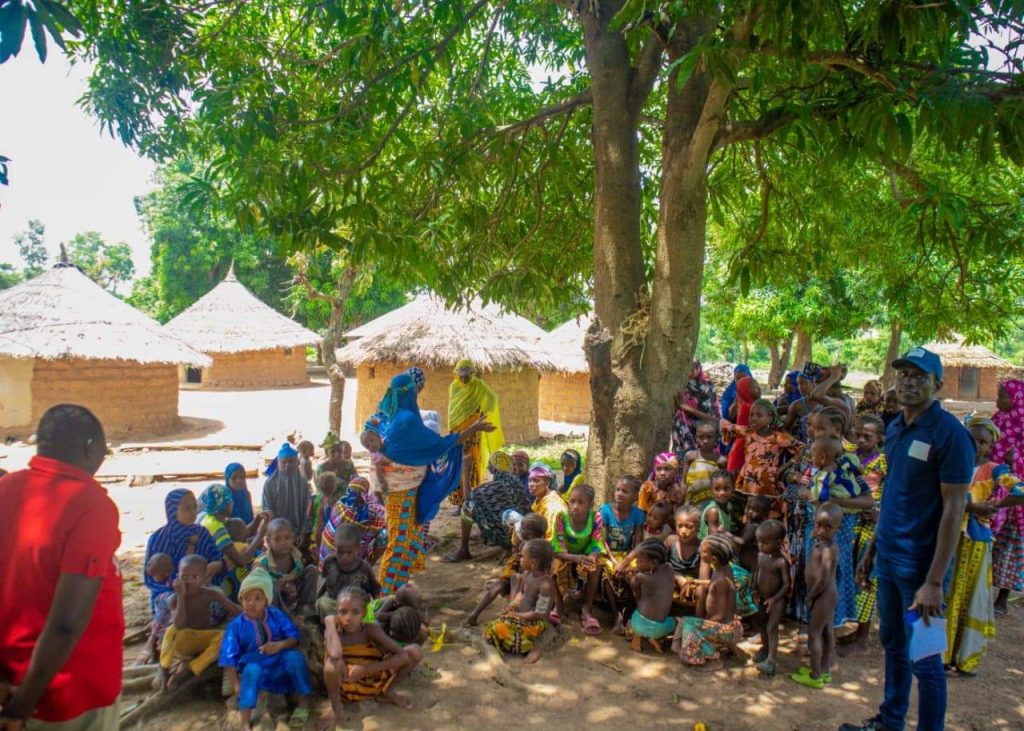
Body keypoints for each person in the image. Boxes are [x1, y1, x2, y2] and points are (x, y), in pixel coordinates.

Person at [840, 347, 974, 731]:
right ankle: (890, 720)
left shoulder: (951, 435)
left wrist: (934, 582)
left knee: (927, 661)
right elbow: (894, 495)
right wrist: (871, 552)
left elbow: (953, 510)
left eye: (920, 376)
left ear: (938, 384)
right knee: (894, 647)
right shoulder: (896, 428)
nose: (909, 382)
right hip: (890, 560)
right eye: (904, 374)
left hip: (923, 570)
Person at [0, 405, 122, 729]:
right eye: (102, 449)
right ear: (88, 448)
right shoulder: (90, 506)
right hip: (68, 696)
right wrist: (21, 705)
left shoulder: (6, 490)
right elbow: (68, 621)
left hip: (12, 679)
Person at [362, 373, 493, 595]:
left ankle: (398, 590)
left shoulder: (385, 415)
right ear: (410, 392)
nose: (417, 393)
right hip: (400, 492)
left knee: (410, 541)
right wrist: (473, 429)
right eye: (415, 389)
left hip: (398, 490)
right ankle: (385, 595)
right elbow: (437, 444)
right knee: (400, 543)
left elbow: (372, 440)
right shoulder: (407, 420)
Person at [943, 416, 1024, 676]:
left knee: (967, 594)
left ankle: (962, 657)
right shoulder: (951, 463)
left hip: (973, 538)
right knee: (944, 594)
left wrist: (993, 507)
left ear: (990, 446)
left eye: (983, 442)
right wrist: (972, 506)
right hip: (946, 534)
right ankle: (939, 654)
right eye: (972, 439)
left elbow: (1020, 491)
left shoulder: (995, 469)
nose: (977, 446)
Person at [218, 568, 312, 730]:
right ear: (240, 600)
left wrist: (279, 645)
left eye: (257, 599)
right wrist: (236, 685)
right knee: (252, 670)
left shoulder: (276, 614)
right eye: (246, 598)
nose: (251, 603)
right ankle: (245, 722)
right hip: (254, 670)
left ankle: (303, 704)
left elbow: (293, 638)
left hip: (277, 665)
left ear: (266, 601)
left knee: (295, 658)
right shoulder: (236, 625)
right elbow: (229, 657)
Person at [143, 489, 226, 660]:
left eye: (194, 507)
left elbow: (218, 558)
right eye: (186, 508)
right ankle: (154, 640)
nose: (192, 513)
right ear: (173, 511)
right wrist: (176, 586)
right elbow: (150, 578)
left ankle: (196, 639)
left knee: (218, 598)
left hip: (200, 587)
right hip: (170, 590)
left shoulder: (202, 533)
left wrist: (216, 565)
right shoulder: (158, 539)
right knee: (170, 603)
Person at [802, 436, 874, 628]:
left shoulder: (824, 476)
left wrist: (833, 503)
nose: (811, 457)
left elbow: (818, 500)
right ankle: (830, 623)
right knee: (833, 571)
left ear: (823, 456)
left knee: (829, 572)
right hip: (840, 528)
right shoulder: (848, 467)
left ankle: (826, 622)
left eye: (814, 454)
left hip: (832, 529)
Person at [322, 586, 415, 726]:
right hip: (347, 685)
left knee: (414, 651)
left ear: (364, 613)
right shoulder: (333, 633)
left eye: (355, 612)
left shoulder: (370, 630)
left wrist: (366, 670)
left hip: (374, 679)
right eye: (343, 612)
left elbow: (403, 656)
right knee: (331, 665)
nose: (348, 618)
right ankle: (337, 709)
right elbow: (335, 654)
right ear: (336, 613)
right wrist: (329, 623)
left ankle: (387, 692)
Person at [156, 554, 241, 690]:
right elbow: (179, 625)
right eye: (184, 577)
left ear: (204, 578)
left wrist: (254, 615)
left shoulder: (210, 594)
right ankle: (163, 668)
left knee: (225, 637)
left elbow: (234, 609)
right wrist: (181, 596)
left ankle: (191, 669)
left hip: (201, 640)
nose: (189, 581)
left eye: (195, 577)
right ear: (177, 577)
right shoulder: (174, 599)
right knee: (171, 630)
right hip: (182, 643)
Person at [843, 414, 888, 657]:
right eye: (858, 435)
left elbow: (887, 491)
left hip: (870, 527)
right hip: (852, 522)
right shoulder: (851, 454)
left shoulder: (883, 462)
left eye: (867, 437)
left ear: (880, 438)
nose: (861, 440)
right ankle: (855, 630)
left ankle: (862, 637)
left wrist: (881, 512)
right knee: (852, 573)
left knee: (866, 577)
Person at [672, 533, 742, 670]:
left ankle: (713, 659)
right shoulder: (724, 569)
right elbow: (713, 582)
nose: (699, 552)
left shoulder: (721, 580)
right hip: (732, 626)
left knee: (689, 626)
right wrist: (696, 581)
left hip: (726, 628)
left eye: (703, 551)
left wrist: (702, 626)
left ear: (713, 558)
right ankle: (681, 647)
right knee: (687, 622)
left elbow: (720, 616)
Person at [465, 513, 548, 626]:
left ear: (530, 534)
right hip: (516, 583)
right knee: (499, 585)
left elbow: (538, 573)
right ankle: (474, 614)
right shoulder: (525, 544)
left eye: (522, 528)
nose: (519, 530)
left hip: (530, 589)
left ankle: (511, 611)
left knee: (516, 578)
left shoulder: (541, 550)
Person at [721, 399, 804, 513]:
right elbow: (726, 427)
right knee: (750, 511)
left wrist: (785, 467)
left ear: (770, 417)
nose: (753, 418)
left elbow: (802, 449)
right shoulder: (748, 432)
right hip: (749, 481)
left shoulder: (778, 438)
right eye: (751, 414)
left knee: (765, 512)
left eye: (759, 415)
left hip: (768, 484)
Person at [792, 502, 842, 690]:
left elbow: (824, 578)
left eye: (828, 527)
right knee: (827, 632)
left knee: (814, 634)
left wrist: (810, 596)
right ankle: (824, 671)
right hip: (824, 596)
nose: (822, 530)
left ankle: (815, 675)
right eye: (819, 525)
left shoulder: (829, 549)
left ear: (838, 527)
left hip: (823, 595)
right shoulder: (821, 543)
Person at [449, 451, 532, 562]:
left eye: (490, 464)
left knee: (467, 506)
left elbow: (468, 498)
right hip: (524, 535)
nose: (488, 466)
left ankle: (464, 550)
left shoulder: (491, 488)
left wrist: (465, 472)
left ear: (494, 468)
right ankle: (485, 537)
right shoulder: (515, 481)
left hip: (508, 539)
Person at [483, 538, 556, 664]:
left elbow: (540, 614)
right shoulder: (526, 574)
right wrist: (512, 606)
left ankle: (535, 648)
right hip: (519, 617)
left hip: (535, 623)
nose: (519, 558)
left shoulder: (545, 585)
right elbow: (521, 593)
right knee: (493, 629)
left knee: (515, 639)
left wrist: (516, 615)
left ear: (533, 562)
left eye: (522, 556)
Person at [448, 360, 505, 508]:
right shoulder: (454, 387)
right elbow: (454, 410)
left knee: (472, 464)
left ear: (472, 374)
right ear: (457, 375)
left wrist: (483, 411)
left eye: (467, 375)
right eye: (461, 376)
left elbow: (492, 397)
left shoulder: (479, 386)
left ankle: (469, 499)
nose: (464, 379)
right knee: (456, 463)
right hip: (457, 431)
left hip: (474, 431)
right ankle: (456, 501)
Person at [989, 379, 1024, 615]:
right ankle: (980, 592)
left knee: (1009, 546)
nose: (998, 400)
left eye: (1002, 396)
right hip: (992, 488)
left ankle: (1002, 596)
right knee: (988, 543)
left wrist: (1015, 460)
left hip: (1016, 499)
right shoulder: (996, 421)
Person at [551, 484, 603, 636]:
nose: (575, 506)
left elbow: (596, 543)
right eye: (572, 501)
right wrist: (575, 558)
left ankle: (587, 609)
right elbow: (557, 549)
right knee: (553, 565)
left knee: (596, 566)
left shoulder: (596, 518)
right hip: (567, 556)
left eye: (581, 502)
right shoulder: (562, 518)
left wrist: (591, 558)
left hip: (585, 557)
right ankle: (559, 606)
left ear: (590, 505)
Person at [199, 484, 267, 601]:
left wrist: (258, 518)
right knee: (257, 562)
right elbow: (241, 560)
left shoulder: (210, 515)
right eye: (229, 500)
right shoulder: (217, 527)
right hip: (214, 577)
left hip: (207, 568)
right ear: (225, 505)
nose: (232, 502)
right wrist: (260, 536)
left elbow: (243, 532)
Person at [599, 476, 646, 635]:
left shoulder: (638, 514)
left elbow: (638, 545)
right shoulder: (605, 511)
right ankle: (616, 615)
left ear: (634, 496)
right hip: (608, 554)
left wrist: (625, 563)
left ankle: (629, 614)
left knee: (635, 575)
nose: (619, 494)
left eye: (625, 491)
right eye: (618, 490)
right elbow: (602, 541)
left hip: (628, 555)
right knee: (607, 573)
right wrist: (614, 561)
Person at [256, 519, 319, 621]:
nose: (283, 543)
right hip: (274, 600)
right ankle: (280, 617)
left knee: (312, 570)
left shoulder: (297, 555)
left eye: (287, 538)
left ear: (293, 538)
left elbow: (300, 575)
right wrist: (280, 587)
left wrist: (292, 587)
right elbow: (257, 588)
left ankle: (304, 608)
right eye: (277, 539)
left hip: (292, 595)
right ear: (268, 541)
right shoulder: (261, 563)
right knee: (270, 589)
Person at [319, 476, 387, 568]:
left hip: (329, 555)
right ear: (366, 493)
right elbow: (383, 534)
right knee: (383, 536)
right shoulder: (373, 514)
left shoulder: (339, 505)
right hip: (353, 559)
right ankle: (368, 564)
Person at [317, 525, 381, 622]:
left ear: (358, 549)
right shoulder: (329, 562)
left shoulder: (364, 567)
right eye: (340, 552)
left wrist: (375, 608)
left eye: (349, 553)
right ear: (335, 546)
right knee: (322, 603)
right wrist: (317, 598)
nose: (344, 557)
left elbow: (375, 590)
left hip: (357, 609)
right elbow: (325, 583)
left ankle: (343, 625)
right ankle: (338, 624)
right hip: (336, 606)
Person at [753, 519, 790, 677]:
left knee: (771, 627)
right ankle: (765, 649)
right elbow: (756, 572)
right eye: (759, 541)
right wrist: (753, 589)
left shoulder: (781, 562)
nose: (760, 545)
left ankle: (771, 661)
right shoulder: (761, 555)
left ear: (778, 542)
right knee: (762, 624)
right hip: (761, 597)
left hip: (777, 600)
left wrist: (775, 599)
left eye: (765, 542)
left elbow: (787, 585)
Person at [628, 540, 677, 652]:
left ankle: (637, 638)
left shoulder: (642, 577)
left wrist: (634, 575)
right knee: (677, 621)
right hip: (660, 627)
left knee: (635, 611)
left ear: (653, 563)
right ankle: (657, 638)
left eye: (639, 561)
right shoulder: (669, 568)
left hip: (638, 623)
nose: (636, 563)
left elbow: (633, 585)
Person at [261, 443, 312, 538]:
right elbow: (267, 509)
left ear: (297, 462)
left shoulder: (303, 484)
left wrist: (304, 533)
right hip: (276, 534)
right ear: (278, 463)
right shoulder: (270, 484)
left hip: (300, 533)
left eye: (291, 461)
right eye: (283, 462)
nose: (287, 465)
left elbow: (308, 510)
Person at [671, 359, 720, 455]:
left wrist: (686, 408)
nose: (690, 371)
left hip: (705, 433)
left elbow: (714, 420)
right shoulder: (681, 385)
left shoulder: (708, 387)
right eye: (687, 368)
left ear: (698, 368)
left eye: (693, 368)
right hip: (685, 431)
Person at [682, 421, 727, 508]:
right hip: (691, 499)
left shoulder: (721, 461)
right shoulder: (690, 456)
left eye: (709, 437)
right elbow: (683, 481)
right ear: (696, 439)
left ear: (716, 439)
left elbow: (723, 483)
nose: (705, 441)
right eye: (701, 437)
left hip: (711, 501)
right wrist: (681, 494)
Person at [666, 505, 703, 606]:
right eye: (680, 526)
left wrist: (689, 583)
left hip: (693, 591)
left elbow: (704, 579)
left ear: (698, 528)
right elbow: (661, 566)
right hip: (672, 586)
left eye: (689, 526)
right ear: (675, 526)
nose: (683, 531)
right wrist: (678, 577)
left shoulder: (702, 547)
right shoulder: (670, 541)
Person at [726, 376, 760, 472]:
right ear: (746, 391)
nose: (759, 389)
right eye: (755, 388)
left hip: (741, 445)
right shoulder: (752, 407)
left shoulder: (743, 404)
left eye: (758, 386)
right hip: (745, 447)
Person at [303, 472, 340, 558]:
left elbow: (309, 515)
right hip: (329, 532)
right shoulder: (335, 502)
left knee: (316, 552)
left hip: (315, 530)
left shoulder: (314, 498)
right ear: (334, 487)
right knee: (326, 554)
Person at [225, 463, 269, 531]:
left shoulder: (246, 495)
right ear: (227, 480)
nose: (239, 481)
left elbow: (250, 519)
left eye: (242, 477)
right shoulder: (225, 499)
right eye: (234, 478)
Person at [698, 471, 736, 539]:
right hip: (708, 547)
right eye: (717, 489)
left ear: (733, 489)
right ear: (711, 490)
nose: (722, 493)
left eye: (726, 488)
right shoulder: (713, 511)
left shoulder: (729, 506)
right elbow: (715, 539)